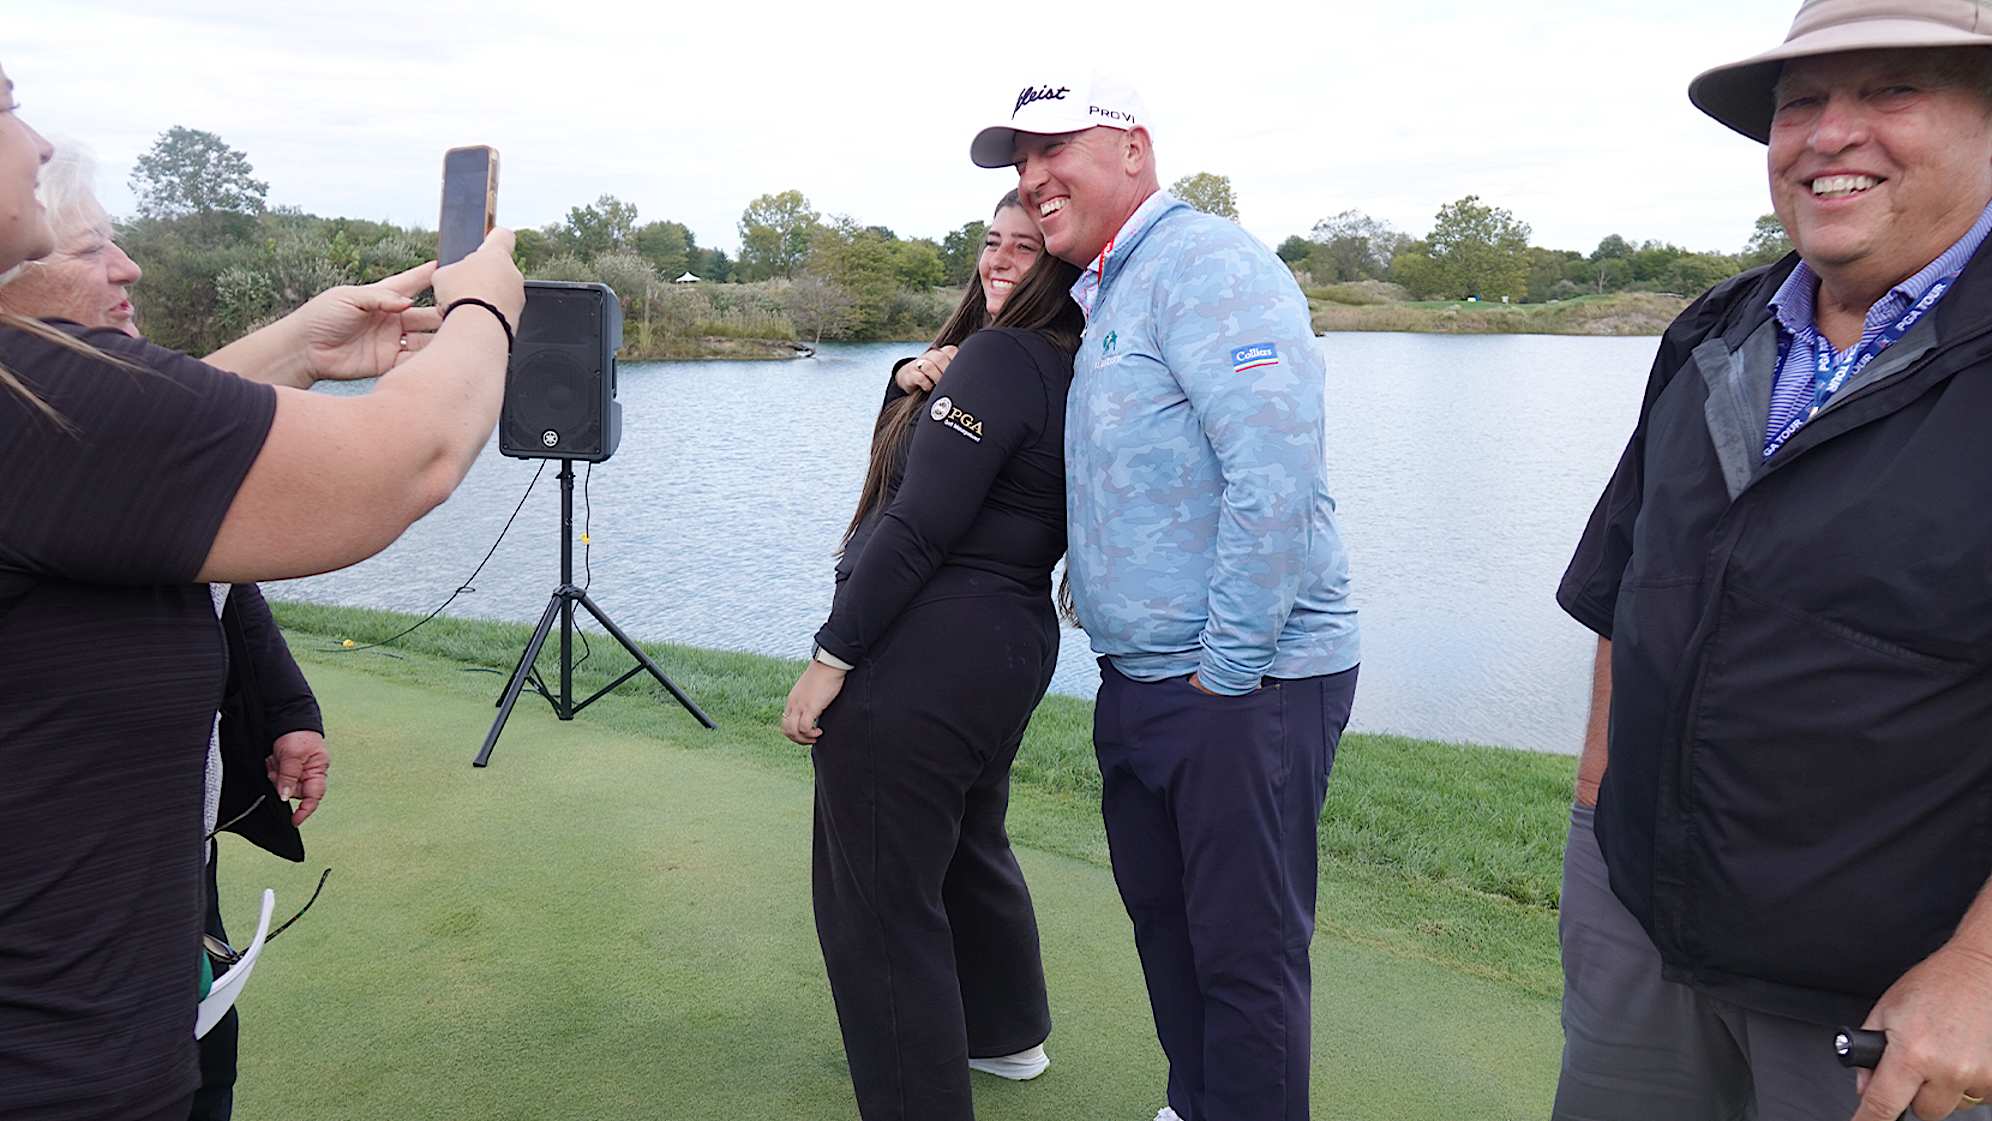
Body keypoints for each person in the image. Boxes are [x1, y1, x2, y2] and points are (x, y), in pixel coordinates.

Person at [0, 63, 524, 1121]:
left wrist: (297, 343)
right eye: (5, 102)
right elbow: (404, 459)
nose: (38, 139)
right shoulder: (30, 399)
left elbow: (119, 462)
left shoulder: (39, 422)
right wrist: (483, 309)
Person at [1553, 5, 1992, 1119]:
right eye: (1802, 102)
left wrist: (1984, 969)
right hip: (1646, 945)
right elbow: (1627, 592)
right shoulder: (1716, 332)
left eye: (1894, 90)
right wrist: (1595, 833)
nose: (1828, 135)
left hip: (1897, 1003)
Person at [972, 74, 1360, 1121]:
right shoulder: (1107, 285)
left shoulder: (1206, 262)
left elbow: (1273, 472)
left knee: (1243, 951)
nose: (1033, 177)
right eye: (1019, 162)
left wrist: (1225, 670)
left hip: (1248, 679)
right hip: (1146, 678)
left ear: (1135, 148)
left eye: (1056, 148)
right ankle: (1197, 1101)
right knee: (1167, 925)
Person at [0, 142, 333, 1121]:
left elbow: (215, 577)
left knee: (204, 1069)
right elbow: (406, 466)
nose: (128, 269)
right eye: (95, 248)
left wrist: (284, 709)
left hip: (167, 870)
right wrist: (485, 318)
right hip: (62, 941)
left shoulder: (98, 431)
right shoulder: (37, 443)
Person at [779, 189, 1084, 1121]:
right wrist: (908, 376)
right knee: (966, 845)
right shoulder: (1069, 361)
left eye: (1024, 249)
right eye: (991, 243)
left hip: (926, 654)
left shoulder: (1000, 358)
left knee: (876, 903)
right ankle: (1003, 1032)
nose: (998, 261)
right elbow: (929, 470)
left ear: (1064, 265)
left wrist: (831, 658)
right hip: (1006, 647)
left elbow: (914, 526)